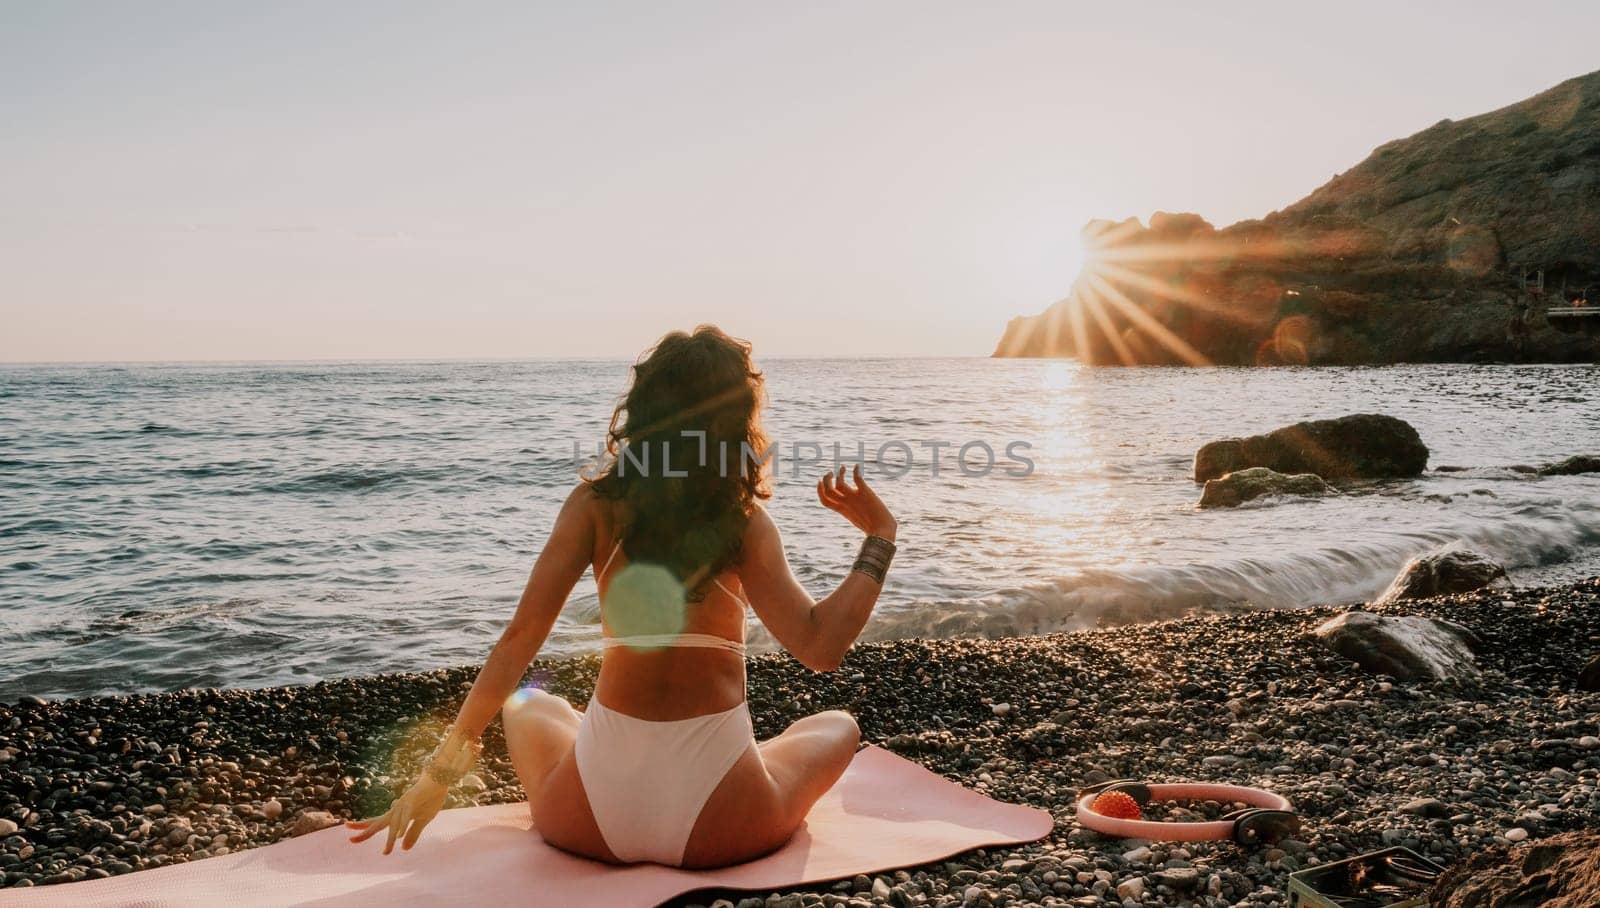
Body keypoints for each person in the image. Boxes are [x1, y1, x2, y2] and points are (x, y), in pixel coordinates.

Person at [348, 326, 898, 868]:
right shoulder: (745, 525)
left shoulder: (592, 506)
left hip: (589, 822)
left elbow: (517, 642)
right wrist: (879, 536)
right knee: (836, 725)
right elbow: (821, 648)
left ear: (643, 412)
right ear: (736, 424)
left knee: (530, 703)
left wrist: (436, 778)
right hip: (724, 825)